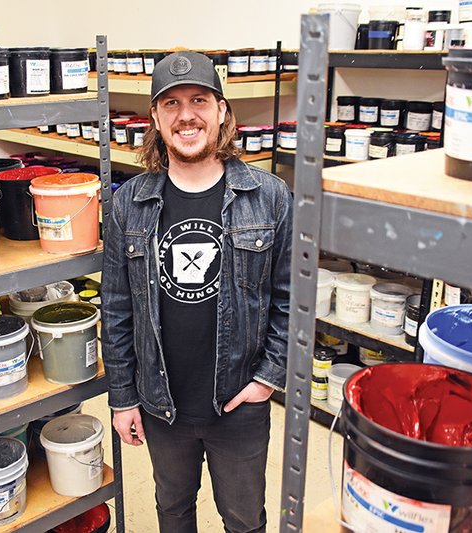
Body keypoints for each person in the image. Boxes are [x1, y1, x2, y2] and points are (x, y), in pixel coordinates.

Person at [101, 51, 292, 533]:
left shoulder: (269, 197)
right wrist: (123, 398)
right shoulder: (129, 204)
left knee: (245, 520)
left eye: (200, 100)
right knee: (173, 512)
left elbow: (291, 301)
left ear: (222, 111)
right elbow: (117, 308)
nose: (187, 115)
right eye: (171, 103)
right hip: (162, 402)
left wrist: (266, 379)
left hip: (239, 402)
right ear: (156, 118)